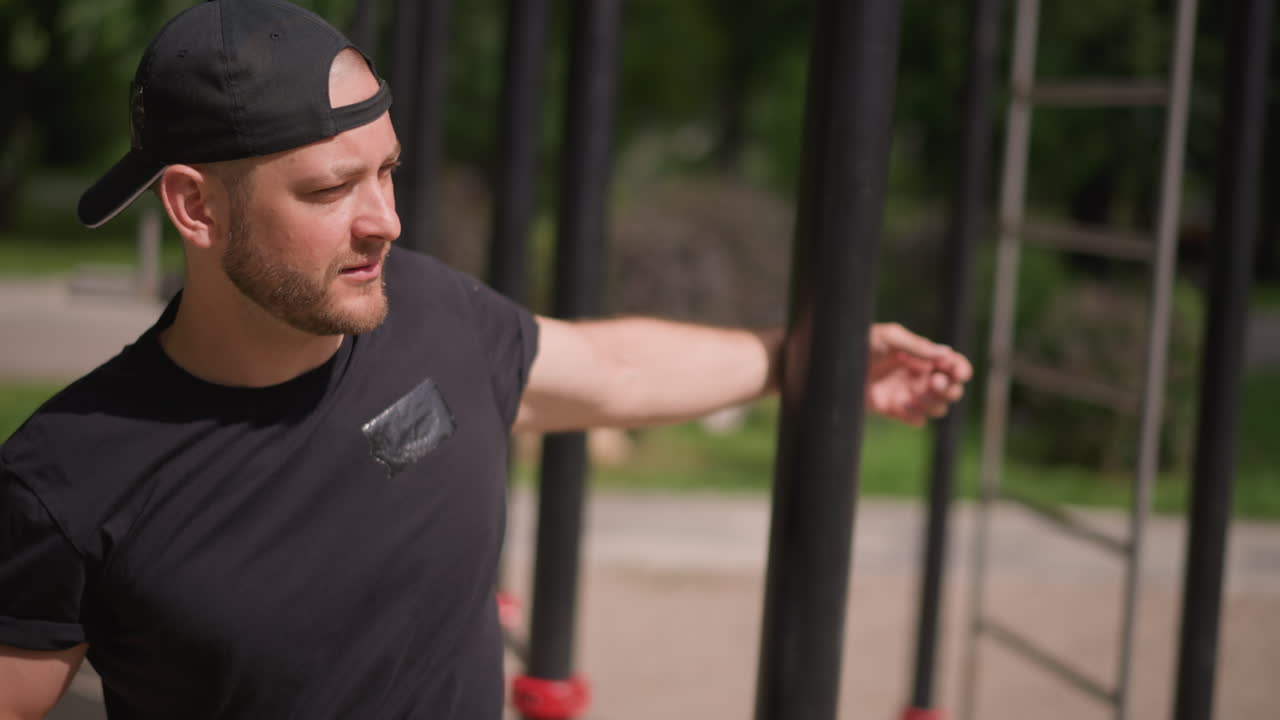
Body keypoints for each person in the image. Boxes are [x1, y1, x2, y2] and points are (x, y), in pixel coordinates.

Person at [0, 1, 972, 717]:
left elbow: (615, 370)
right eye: (331, 189)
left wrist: (803, 359)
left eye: (387, 172)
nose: (385, 220)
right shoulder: (69, 476)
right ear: (195, 206)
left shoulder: (430, 312)